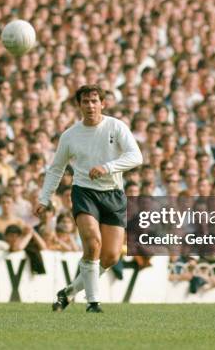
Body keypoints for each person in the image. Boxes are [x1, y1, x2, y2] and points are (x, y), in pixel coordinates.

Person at [35, 85, 142, 313]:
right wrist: (45, 198)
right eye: (86, 101)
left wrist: (108, 167)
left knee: (111, 256)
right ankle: (93, 303)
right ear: (79, 105)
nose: (90, 105)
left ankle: (69, 292)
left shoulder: (116, 126)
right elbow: (56, 169)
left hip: (113, 193)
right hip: (84, 192)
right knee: (92, 243)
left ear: (103, 103)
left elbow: (136, 156)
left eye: (95, 101)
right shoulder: (70, 135)